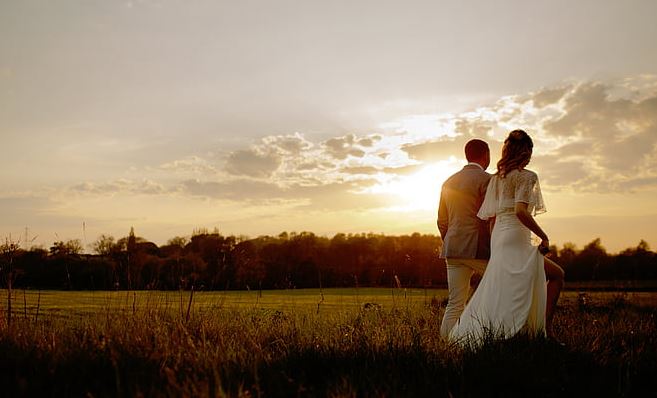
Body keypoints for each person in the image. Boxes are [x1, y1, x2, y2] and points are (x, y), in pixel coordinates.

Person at [449, 129, 565, 344]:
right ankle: (545, 332)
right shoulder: (527, 177)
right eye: (530, 150)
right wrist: (544, 236)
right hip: (515, 236)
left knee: (504, 285)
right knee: (557, 275)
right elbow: (520, 211)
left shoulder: (497, 179)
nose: (530, 155)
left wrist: (496, 244)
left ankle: (516, 332)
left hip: (500, 237)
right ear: (525, 151)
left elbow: (491, 217)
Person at [437, 139, 492, 338]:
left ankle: (445, 346)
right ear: (485, 155)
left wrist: (451, 239)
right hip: (478, 248)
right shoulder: (487, 179)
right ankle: (487, 338)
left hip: (452, 249)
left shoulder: (448, 182)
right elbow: (489, 217)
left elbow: (441, 221)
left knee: (455, 303)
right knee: (497, 291)